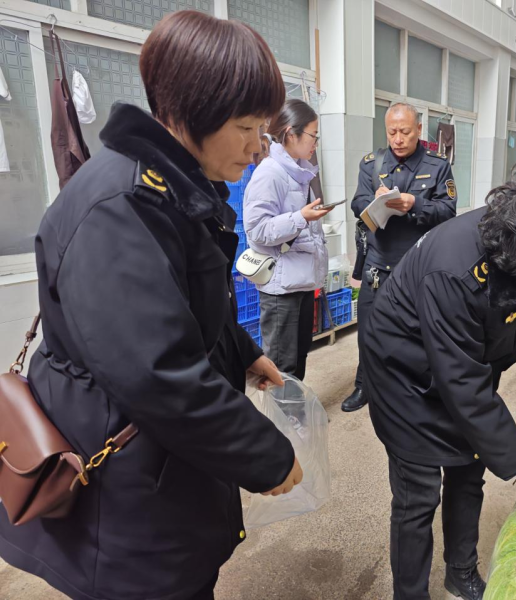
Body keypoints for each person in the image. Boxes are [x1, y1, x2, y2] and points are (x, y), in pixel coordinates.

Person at [0, 11, 303, 600]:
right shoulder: (120, 206)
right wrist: (263, 453)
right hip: (123, 490)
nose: (257, 147)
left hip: (157, 471)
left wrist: (240, 351)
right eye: (246, 127)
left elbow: (180, 302)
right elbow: (156, 371)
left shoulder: (174, 186)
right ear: (193, 111)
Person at [362, 162, 516, 600]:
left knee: (469, 465)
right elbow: (460, 380)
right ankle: (410, 594)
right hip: (404, 373)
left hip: (466, 362)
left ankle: (460, 572)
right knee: (418, 493)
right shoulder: (457, 268)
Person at [341, 102, 457, 412]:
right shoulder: (371, 163)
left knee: (417, 333)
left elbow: (448, 211)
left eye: (405, 131)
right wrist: (376, 201)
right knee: (368, 331)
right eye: (392, 132)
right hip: (378, 265)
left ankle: (411, 390)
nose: (398, 139)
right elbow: (358, 203)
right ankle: (364, 385)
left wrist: (414, 203)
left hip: (419, 268)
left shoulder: (437, 165)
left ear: (419, 130)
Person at [244, 99, 332, 380]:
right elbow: (256, 229)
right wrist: (300, 218)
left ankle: (297, 418)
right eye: (313, 136)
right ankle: (282, 423)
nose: (315, 143)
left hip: (301, 282)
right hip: (281, 290)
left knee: (299, 356)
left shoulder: (297, 172)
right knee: (281, 365)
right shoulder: (270, 173)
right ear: (291, 134)